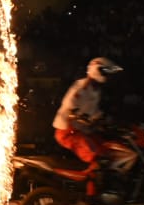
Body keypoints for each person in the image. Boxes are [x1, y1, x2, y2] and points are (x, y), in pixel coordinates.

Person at [52, 56, 122, 197]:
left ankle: (106, 189)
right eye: (105, 71)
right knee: (97, 157)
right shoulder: (81, 87)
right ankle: (90, 196)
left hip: (82, 130)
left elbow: (94, 114)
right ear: (97, 70)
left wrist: (108, 122)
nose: (107, 75)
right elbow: (69, 106)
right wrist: (77, 115)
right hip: (67, 131)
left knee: (108, 151)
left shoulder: (96, 91)